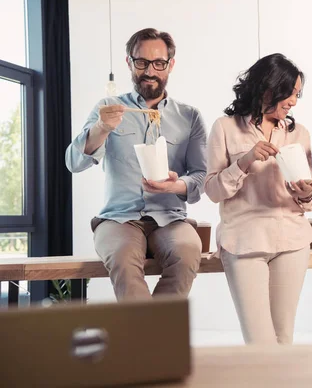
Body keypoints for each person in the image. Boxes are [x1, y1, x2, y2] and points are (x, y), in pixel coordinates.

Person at [65, 28, 207, 300]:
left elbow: (201, 177)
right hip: (119, 218)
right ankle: (147, 339)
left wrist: (174, 185)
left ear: (170, 65)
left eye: (158, 63)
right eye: (141, 62)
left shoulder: (190, 117)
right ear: (129, 63)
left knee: (188, 251)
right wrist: (101, 128)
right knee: (122, 259)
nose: (150, 71)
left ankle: (148, 335)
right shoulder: (108, 108)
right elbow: (73, 163)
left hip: (171, 219)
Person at [204, 53, 312, 345]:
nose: (294, 101)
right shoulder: (225, 128)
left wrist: (306, 193)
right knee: (260, 342)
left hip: (292, 240)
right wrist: (244, 161)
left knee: (283, 337)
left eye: (297, 94)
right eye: (290, 93)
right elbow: (213, 190)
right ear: (267, 89)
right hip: (244, 242)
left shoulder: (299, 134)